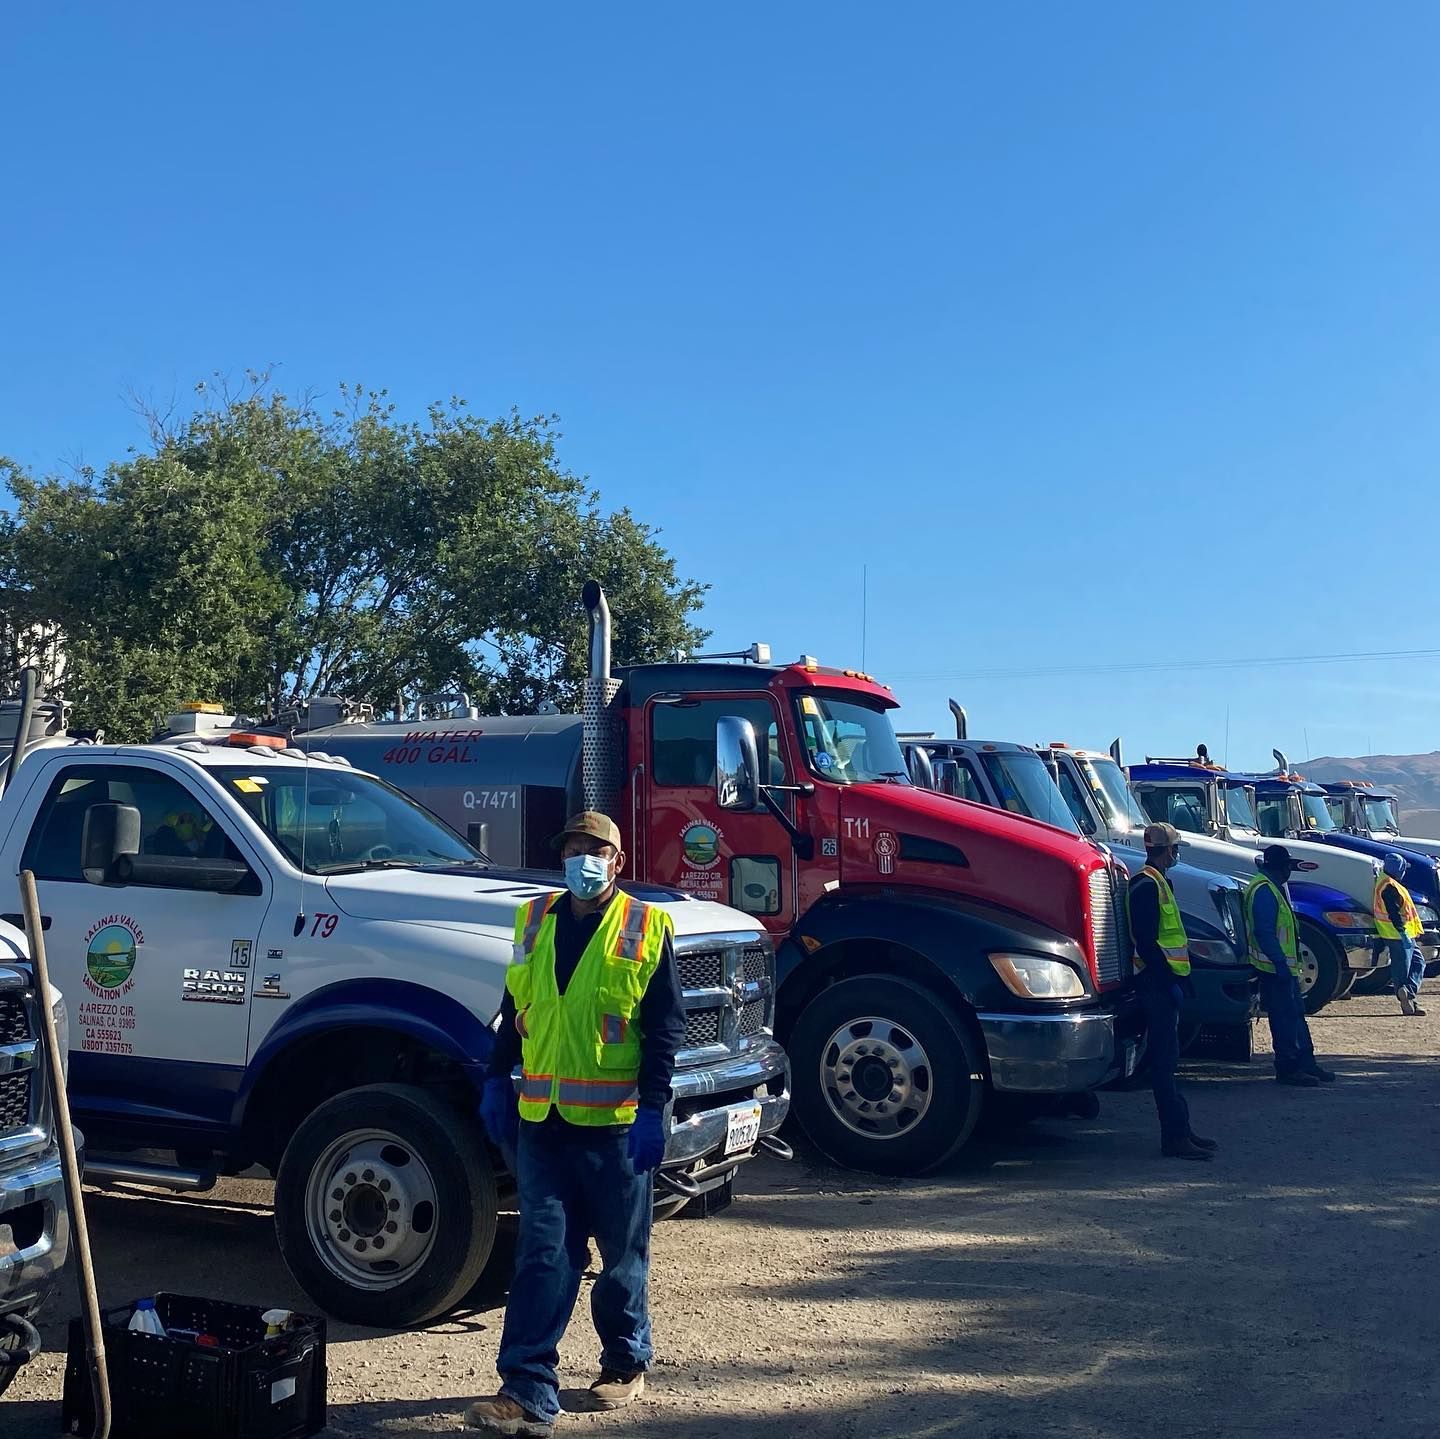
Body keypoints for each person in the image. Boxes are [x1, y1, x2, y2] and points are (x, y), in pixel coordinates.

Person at [465, 811, 685, 1439]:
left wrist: (652, 1106)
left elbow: (664, 1025)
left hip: (615, 1125)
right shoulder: (534, 919)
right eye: (573, 849)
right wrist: (494, 1077)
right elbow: (517, 1006)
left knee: (621, 1257)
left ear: (617, 861)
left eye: (595, 850)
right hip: (544, 1119)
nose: (582, 860)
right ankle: (528, 1391)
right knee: (543, 1252)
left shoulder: (646, 925)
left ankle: (625, 1358)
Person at [1125, 822, 1216, 1161]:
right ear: (1166, 850)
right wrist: (1166, 978)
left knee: (1169, 1060)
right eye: (1175, 849)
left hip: (1166, 982)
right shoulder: (1148, 885)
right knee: (1164, 1063)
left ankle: (1182, 1130)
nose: (1176, 855)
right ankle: (1175, 1137)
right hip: (1157, 984)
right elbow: (1147, 942)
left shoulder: (1158, 882)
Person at [1243, 844, 1336, 1086]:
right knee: (1284, 1019)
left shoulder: (1270, 887)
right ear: (1281, 868)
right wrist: (1279, 962)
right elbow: (1264, 932)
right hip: (1274, 969)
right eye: (1288, 867)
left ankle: (1306, 1063)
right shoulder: (1264, 890)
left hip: (1283, 967)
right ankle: (1288, 1067)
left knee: (1294, 1017)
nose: (1290, 872)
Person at [1375, 852, 1427, 1017]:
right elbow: (1393, 912)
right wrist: (1402, 931)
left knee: (1418, 963)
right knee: (1402, 970)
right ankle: (1408, 1001)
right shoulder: (1389, 886)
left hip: (1403, 934)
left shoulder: (1386, 882)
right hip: (1397, 934)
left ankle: (1408, 992)